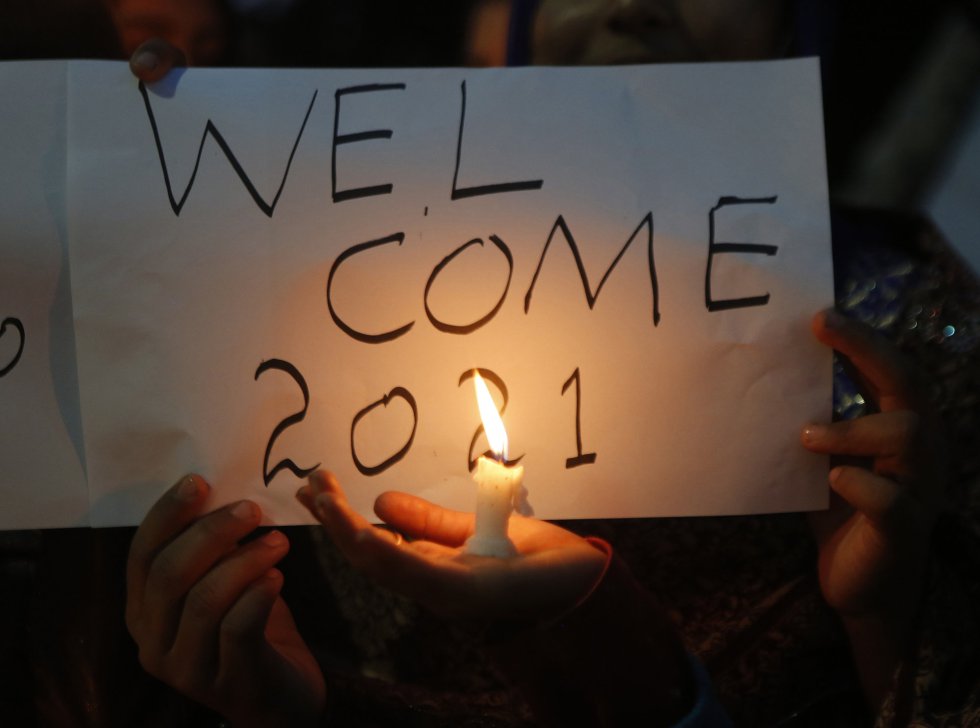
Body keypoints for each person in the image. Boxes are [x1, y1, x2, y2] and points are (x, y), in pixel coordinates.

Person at [124, 1, 980, 725]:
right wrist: (132, 146)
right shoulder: (317, 252)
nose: (633, 1)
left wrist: (890, 617)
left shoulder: (905, 319)